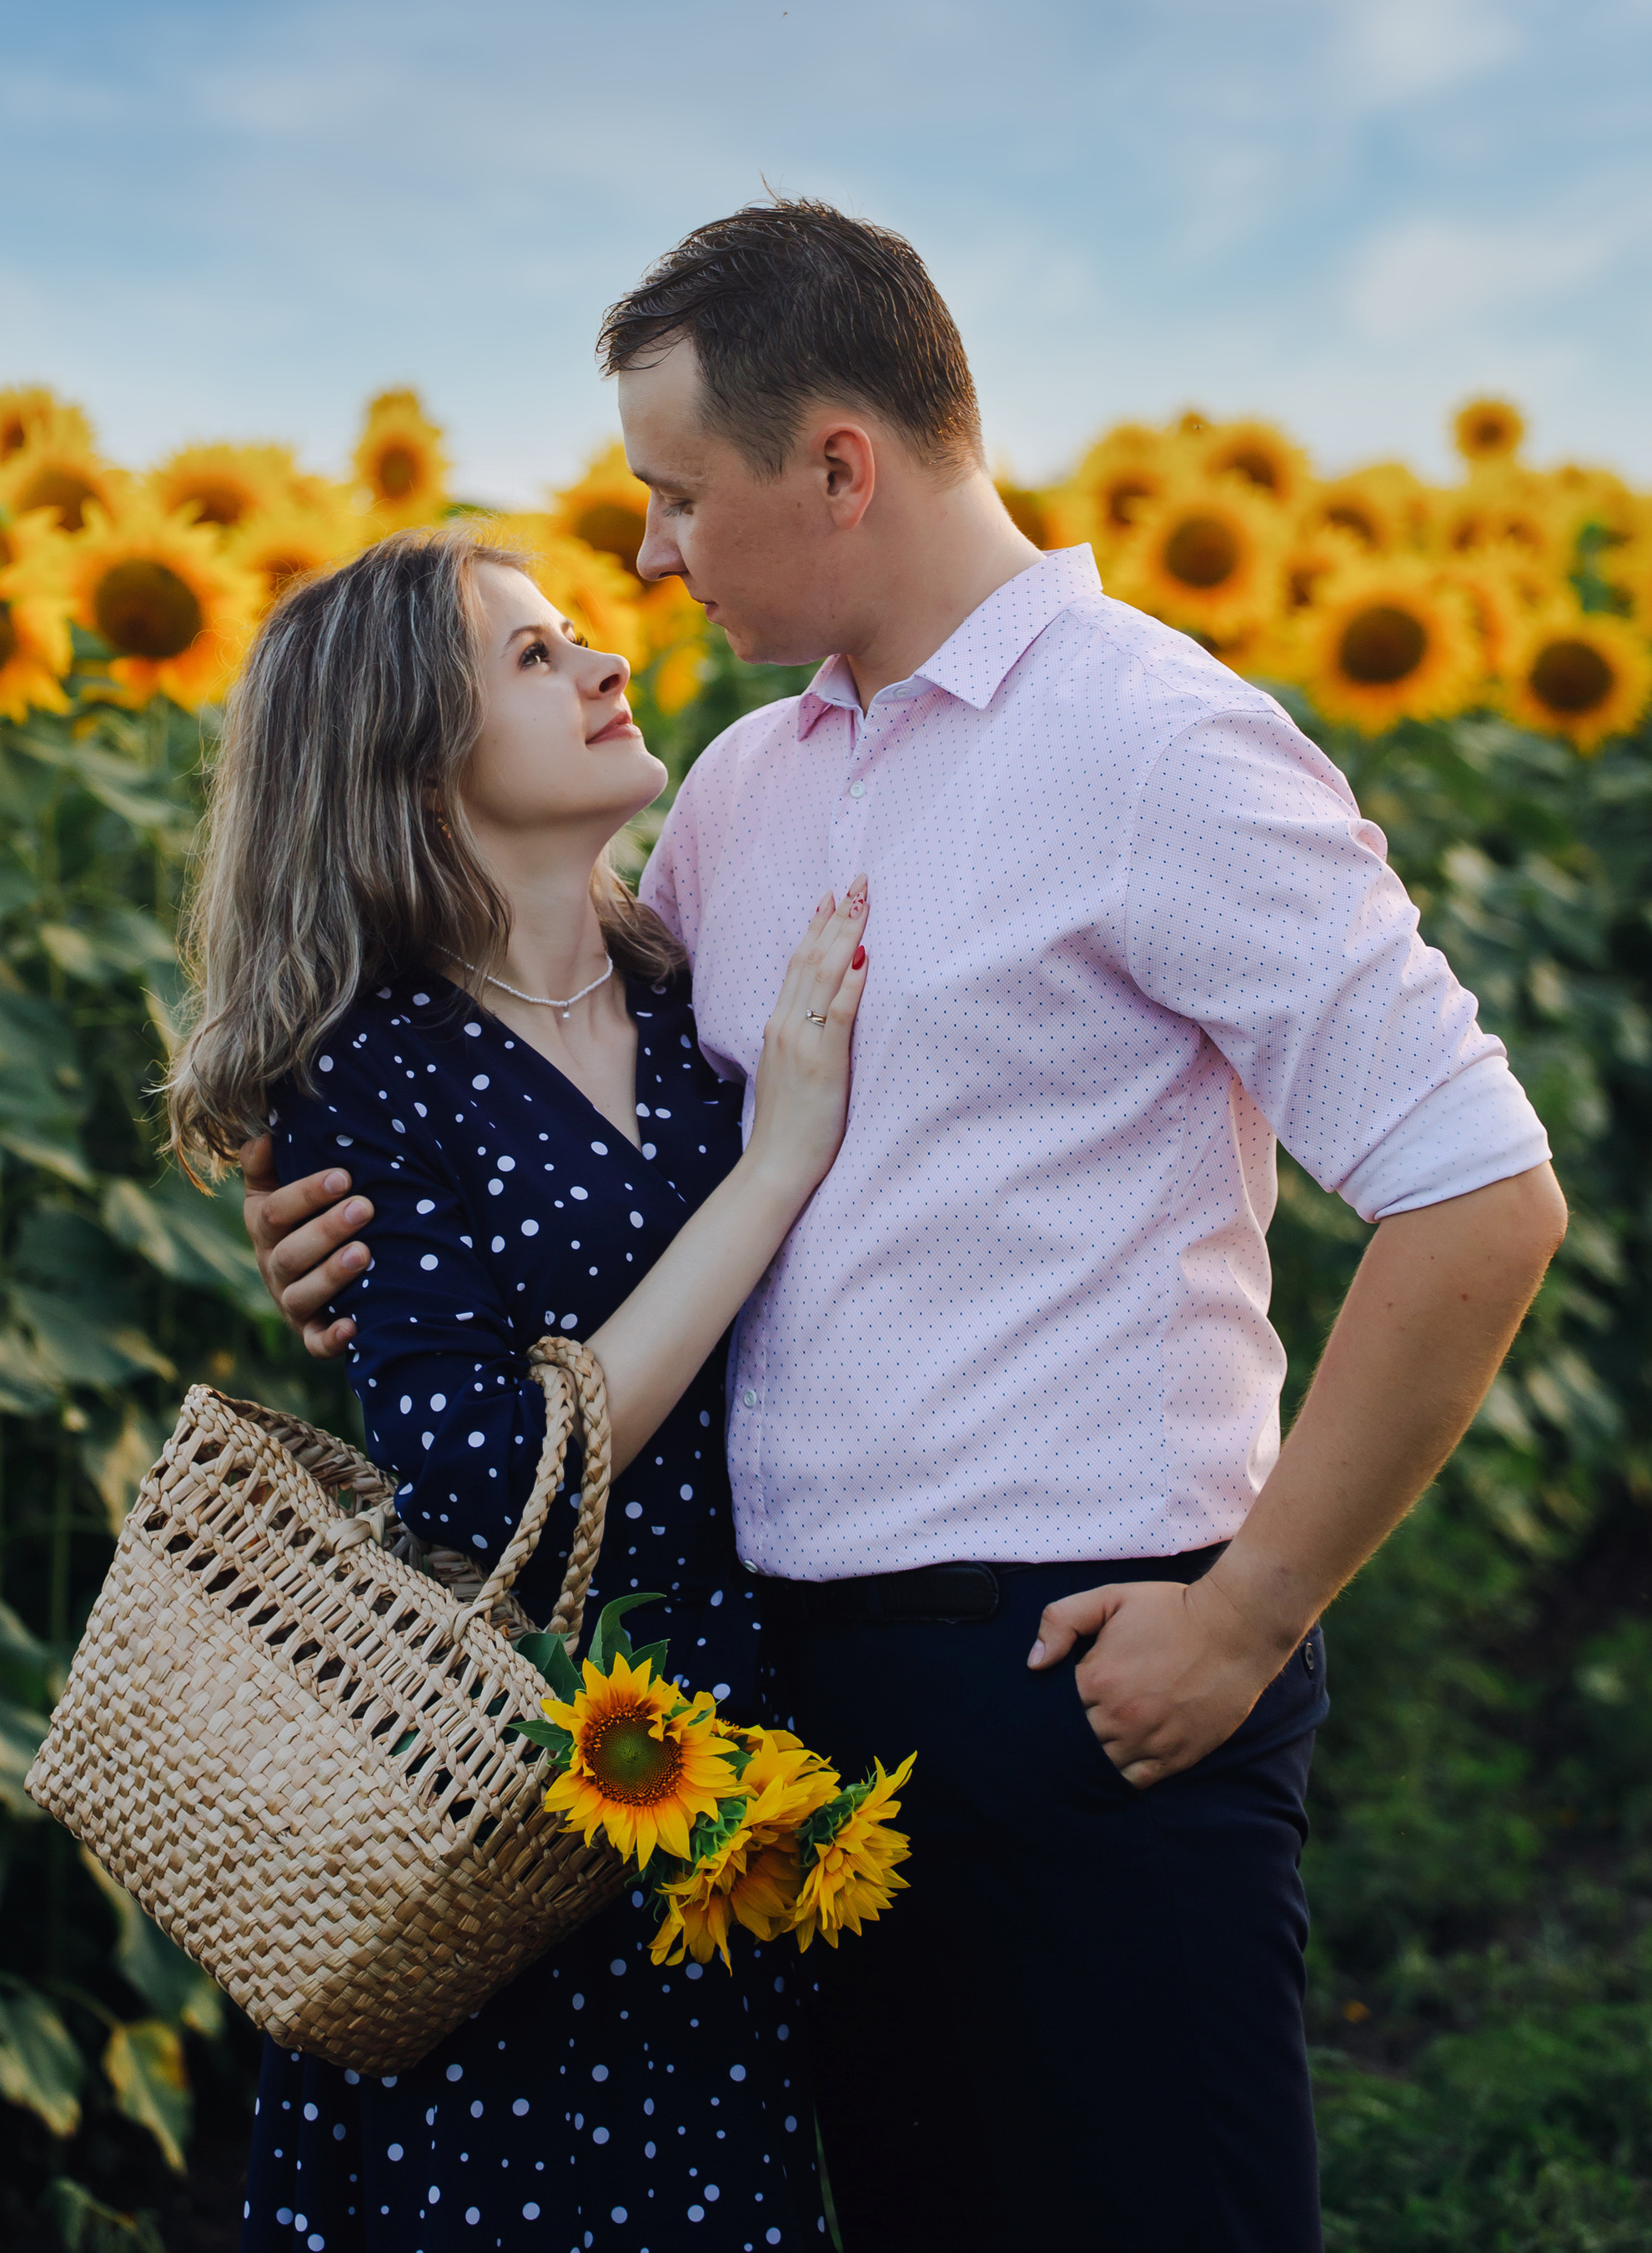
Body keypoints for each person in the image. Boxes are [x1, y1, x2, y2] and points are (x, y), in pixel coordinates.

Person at [243, 197, 1569, 2253]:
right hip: (788, 1739)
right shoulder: (734, 794)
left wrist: (1244, 1616)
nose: (649, 561)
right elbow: (564, 1129)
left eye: (676, 495)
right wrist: (338, 1220)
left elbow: (1477, 1195)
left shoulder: (1154, 747)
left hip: (1084, 1681)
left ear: (838, 464)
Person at [168, 523, 872, 2253]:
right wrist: (769, 1171)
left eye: (577, 634)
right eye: (534, 655)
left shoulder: (687, 981)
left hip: (746, 1752)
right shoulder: (369, 1072)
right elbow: (485, 1477)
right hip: (520, 1787)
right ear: (406, 758)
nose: (607, 661)